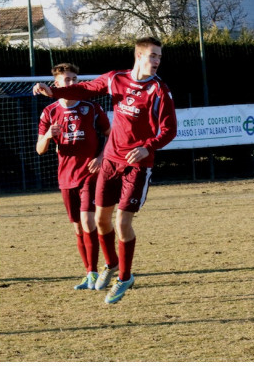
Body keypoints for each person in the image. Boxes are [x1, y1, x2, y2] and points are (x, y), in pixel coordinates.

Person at [33, 37, 177, 304]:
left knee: (122, 222)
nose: (157, 61)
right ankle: (109, 265)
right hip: (110, 160)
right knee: (100, 222)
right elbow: (85, 89)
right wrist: (53, 92)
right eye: (152, 56)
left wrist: (148, 147)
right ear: (139, 56)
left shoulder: (159, 91)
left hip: (137, 165)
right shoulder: (116, 79)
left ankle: (124, 277)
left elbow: (169, 130)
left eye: (159, 57)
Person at [36, 63, 111, 291]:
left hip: (90, 172)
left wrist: (100, 157)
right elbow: (39, 149)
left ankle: (100, 271)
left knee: (89, 222)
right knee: (78, 228)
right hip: (66, 176)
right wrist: (48, 135)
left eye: (74, 79)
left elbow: (110, 135)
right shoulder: (49, 112)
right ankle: (90, 273)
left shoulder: (91, 106)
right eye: (66, 80)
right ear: (56, 85)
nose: (71, 83)